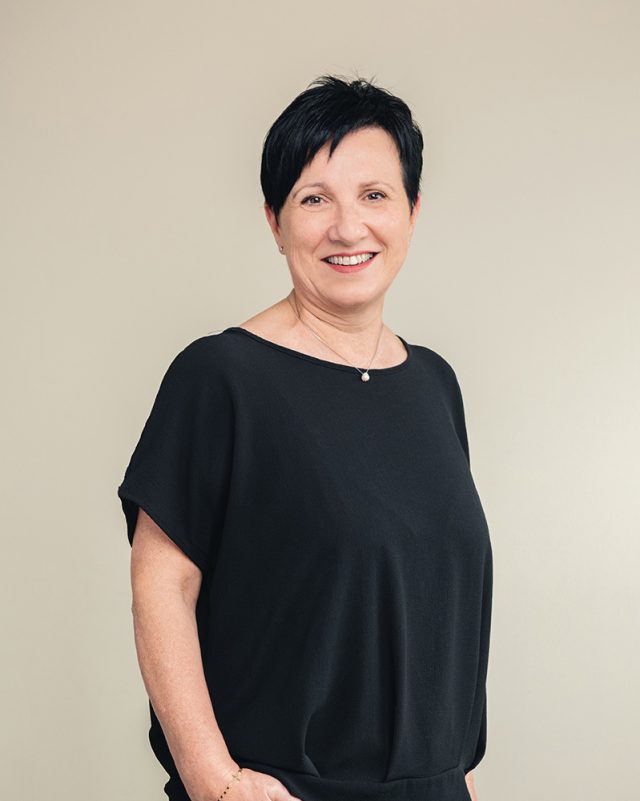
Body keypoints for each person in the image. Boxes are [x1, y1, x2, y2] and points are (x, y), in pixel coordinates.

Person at [117, 74, 493, 801]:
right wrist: (216, 781)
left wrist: (460, 775)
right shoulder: (221, 377)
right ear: (275, 221)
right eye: (314, 199)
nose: (348, 228)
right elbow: (160, 585)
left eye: (374, 195)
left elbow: (435, 601)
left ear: (412, 211)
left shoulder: (434, 384)